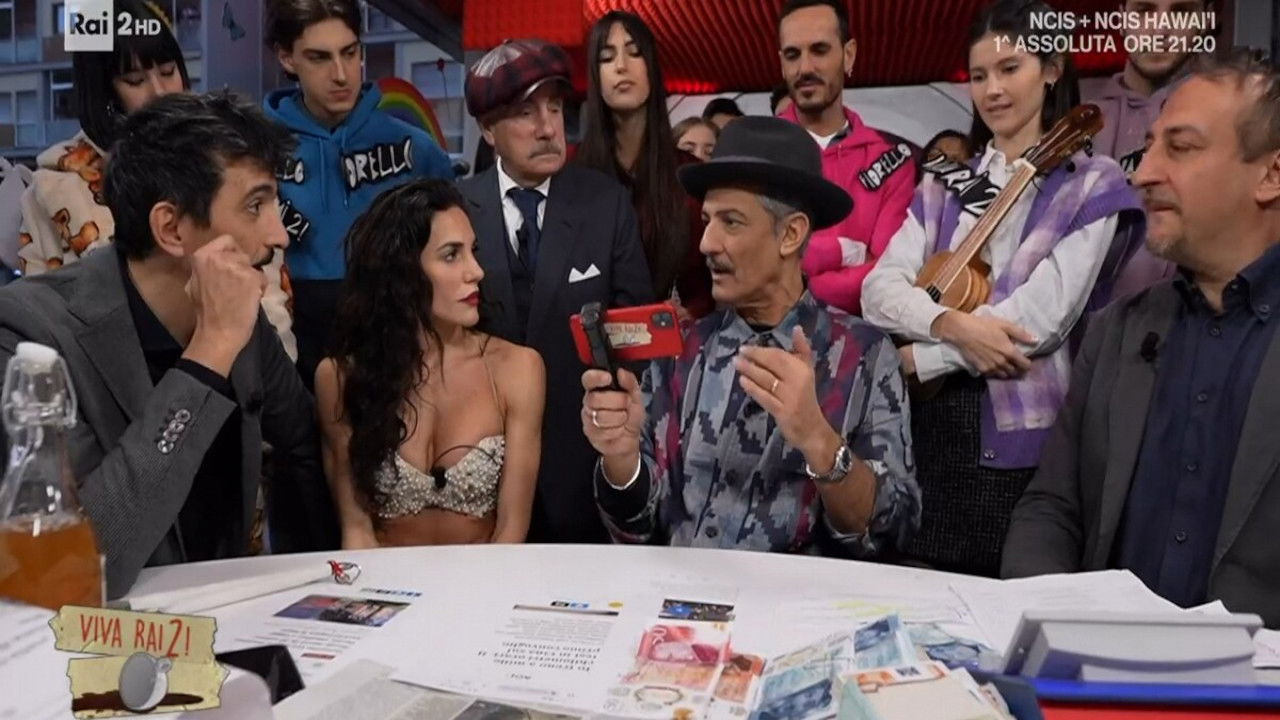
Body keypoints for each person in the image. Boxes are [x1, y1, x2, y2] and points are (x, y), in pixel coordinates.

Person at [0, 92, 339, 599]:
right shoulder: (31, 337)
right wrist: (210, 351)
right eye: (255, 205)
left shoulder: (241, 316)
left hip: (223, 615)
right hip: (92, 633)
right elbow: (78, 566)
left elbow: (303, 446)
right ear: (171, 228)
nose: (279, 235)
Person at [860, 0, 1143, 577]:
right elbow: (877, 289)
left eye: (1010, 69)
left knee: (1011, 593)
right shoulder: (944, 183)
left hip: (1022, 433)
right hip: (923, 426)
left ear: (1051, 68)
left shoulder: (1093, 183)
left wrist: (923, 358)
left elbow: (1039, 322)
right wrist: (952, 323)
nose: (992, 90)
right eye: (978, 75)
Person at [1003, 52, 1280, 626]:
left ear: (1271, 175)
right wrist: (1054, 630)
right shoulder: (1116, 332)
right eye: (1149, 146)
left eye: (1180, 148)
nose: (1141, 174)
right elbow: (1051, 509)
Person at [581, 116, 920, 557]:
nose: (706, 242)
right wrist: (621, 461)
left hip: (801, 599)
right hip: (680, 593)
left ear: (791, 234)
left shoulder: (867, 357)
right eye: (706, 220)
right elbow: (640, 528)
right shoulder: (680, 352)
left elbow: (892, 533)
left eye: (732, 222)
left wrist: (818, 439)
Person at [16, 0, 297, 357]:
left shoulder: (229, 160)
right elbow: (41, 335)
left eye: (168, 70)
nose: (160, 91)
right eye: (135, 80)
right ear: (103, 92)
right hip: (112, 378)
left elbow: (270, 301)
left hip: (240, 367)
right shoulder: (53, 189)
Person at [458, 38, 654, 543]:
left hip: (581, 467)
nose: (548, 128)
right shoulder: (453, 210)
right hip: (478, 471)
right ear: (488, 130)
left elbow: (636, 335)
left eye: (555, 108)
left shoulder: (605, 204)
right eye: (526, 113)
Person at [316, 180, 544, 548]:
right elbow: (356, 531)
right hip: (382, 579)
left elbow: (511, 532)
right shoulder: (340, 378)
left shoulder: (518, 369)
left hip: (484, 578)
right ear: (402, 272)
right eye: (452, 255)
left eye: (473, 251)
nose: (476, 271)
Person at [264, 0, 454, 388]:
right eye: (319, 58)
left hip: (399, 354)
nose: (341, 74)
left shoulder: (419, 151)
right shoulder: (253, 152)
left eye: (350, 53)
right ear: (286, 58)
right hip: (289, 358)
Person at [775, 0, 917, 316]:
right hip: (765, 339)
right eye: (793, 55)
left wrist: (794, 277)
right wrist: (845, 251)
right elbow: (752, 265)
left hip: (862, 338)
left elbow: (885, 275)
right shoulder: (758, 152)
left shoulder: (892, 163)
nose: (805, 68)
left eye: (819, 50)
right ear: (782, 63)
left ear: (848, 55)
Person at [577, 12, 713, 318]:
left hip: (674, 336)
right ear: (595, 76)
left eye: (634, 52)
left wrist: (690, 312)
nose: (621, 66)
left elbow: (706, 283)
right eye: (606, 57)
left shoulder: (688, 174)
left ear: (652, 67)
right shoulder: (574, 172)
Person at [1089, 0, 1215, 298]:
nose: (1160, 30)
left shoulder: (1233, 120)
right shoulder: (1077, 120)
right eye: (1144, 11)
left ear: (1206, 20)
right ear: (1121, 18)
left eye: (1180, 12)